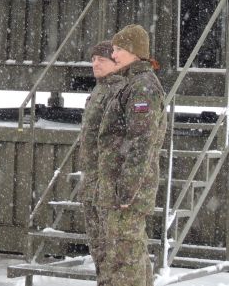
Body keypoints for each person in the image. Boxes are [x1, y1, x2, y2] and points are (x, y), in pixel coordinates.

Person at [94, 24, 166, 286]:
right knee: (130, 254)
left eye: (118, 50)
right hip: (119, 188)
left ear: (134, 52)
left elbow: (141, 143)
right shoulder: (131, 83)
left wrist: (126, 191)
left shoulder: (142, 87)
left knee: (124, 259)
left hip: (127, 193)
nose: (113, 55)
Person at [79, 40, 122, 276]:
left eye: (102, 60)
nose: (95, 64)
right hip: (92, 177)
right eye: (93, 59)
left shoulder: (119, 91)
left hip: (107, 180)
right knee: (97, 244)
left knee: (112, 246)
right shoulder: (99, 90)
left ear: (116, 63)